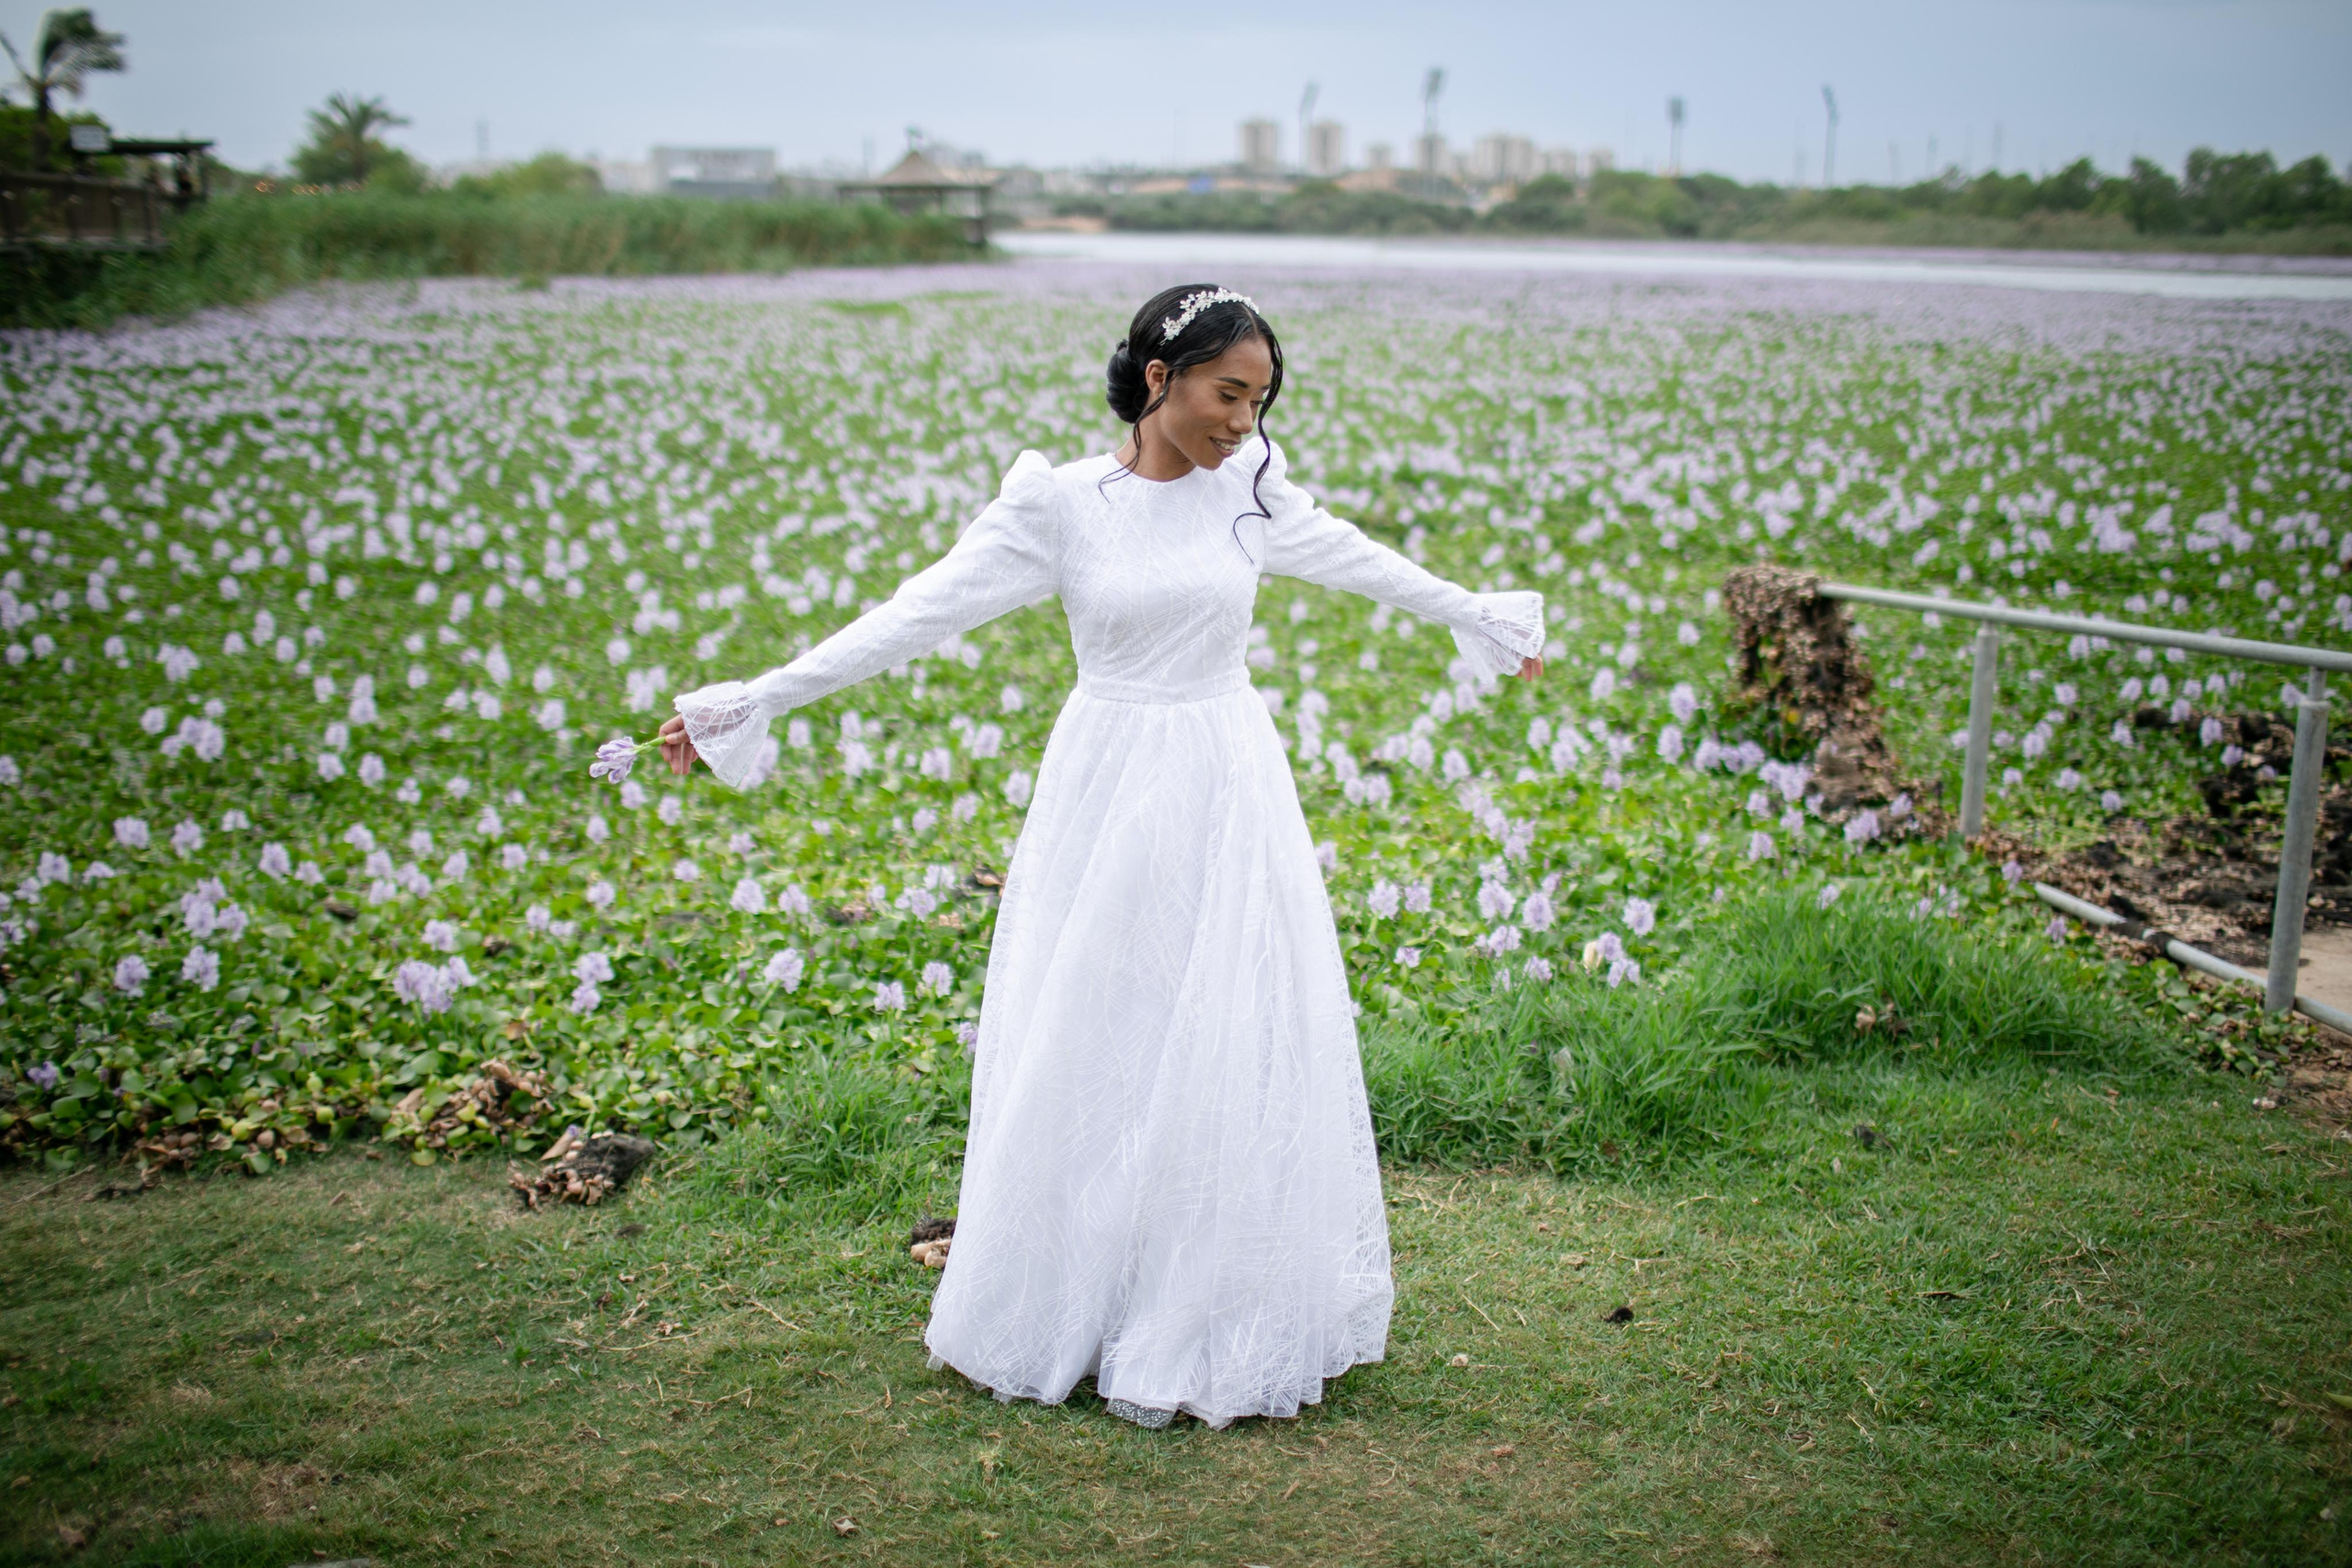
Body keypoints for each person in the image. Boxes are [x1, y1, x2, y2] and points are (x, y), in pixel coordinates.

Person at [659, 284, 1544, 1428]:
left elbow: (1359, 559)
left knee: (1222, 1020)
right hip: (1109, 783)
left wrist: (1482, 614)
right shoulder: (1061, 505)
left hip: (1227, 779)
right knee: (1100, 1024)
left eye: (1261, 400)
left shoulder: (1251, 490)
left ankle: (1207, 1294)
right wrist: (756, 700)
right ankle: (1079, 1293)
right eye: (1228, 394)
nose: (1244, 421)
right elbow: (918, 613)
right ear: (1160, 378)